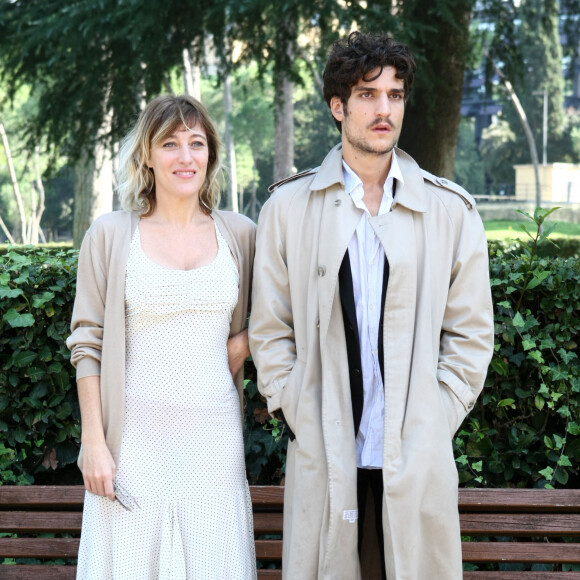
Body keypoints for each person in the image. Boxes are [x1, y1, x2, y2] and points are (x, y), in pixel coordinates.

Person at [249, 31, 494, 579]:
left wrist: (434, 419)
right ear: (338, 107)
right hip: (324, 450)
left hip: (415, 453)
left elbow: (471, 336)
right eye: (367, 94)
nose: (385, 109)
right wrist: (295, 408)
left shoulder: (450, 211)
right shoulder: (289, 207)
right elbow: (269, 328)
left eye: (396, 95)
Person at [67, 94, 257, 579]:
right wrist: (94, 441)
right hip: (132, 444)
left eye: (196, 143)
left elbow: (280, 314)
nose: (185, 156)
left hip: (214, 442)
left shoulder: (241, 234)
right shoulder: (110, 235)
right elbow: (87, 344)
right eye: (170, 143)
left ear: (211, 154)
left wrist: (239, 346)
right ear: (147, 155)